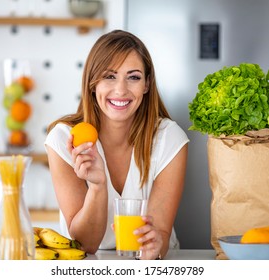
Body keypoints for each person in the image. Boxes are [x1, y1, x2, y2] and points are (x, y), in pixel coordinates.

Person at [45, 30, 189, 260]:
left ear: (147, 84)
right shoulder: (64, 139)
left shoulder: (169, 139)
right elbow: (85, 245)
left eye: (133, 77)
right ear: (93, 83)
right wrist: (98, 186)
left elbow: (159, 233)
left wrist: (155, 245)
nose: (121, 90)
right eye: (109, 76)